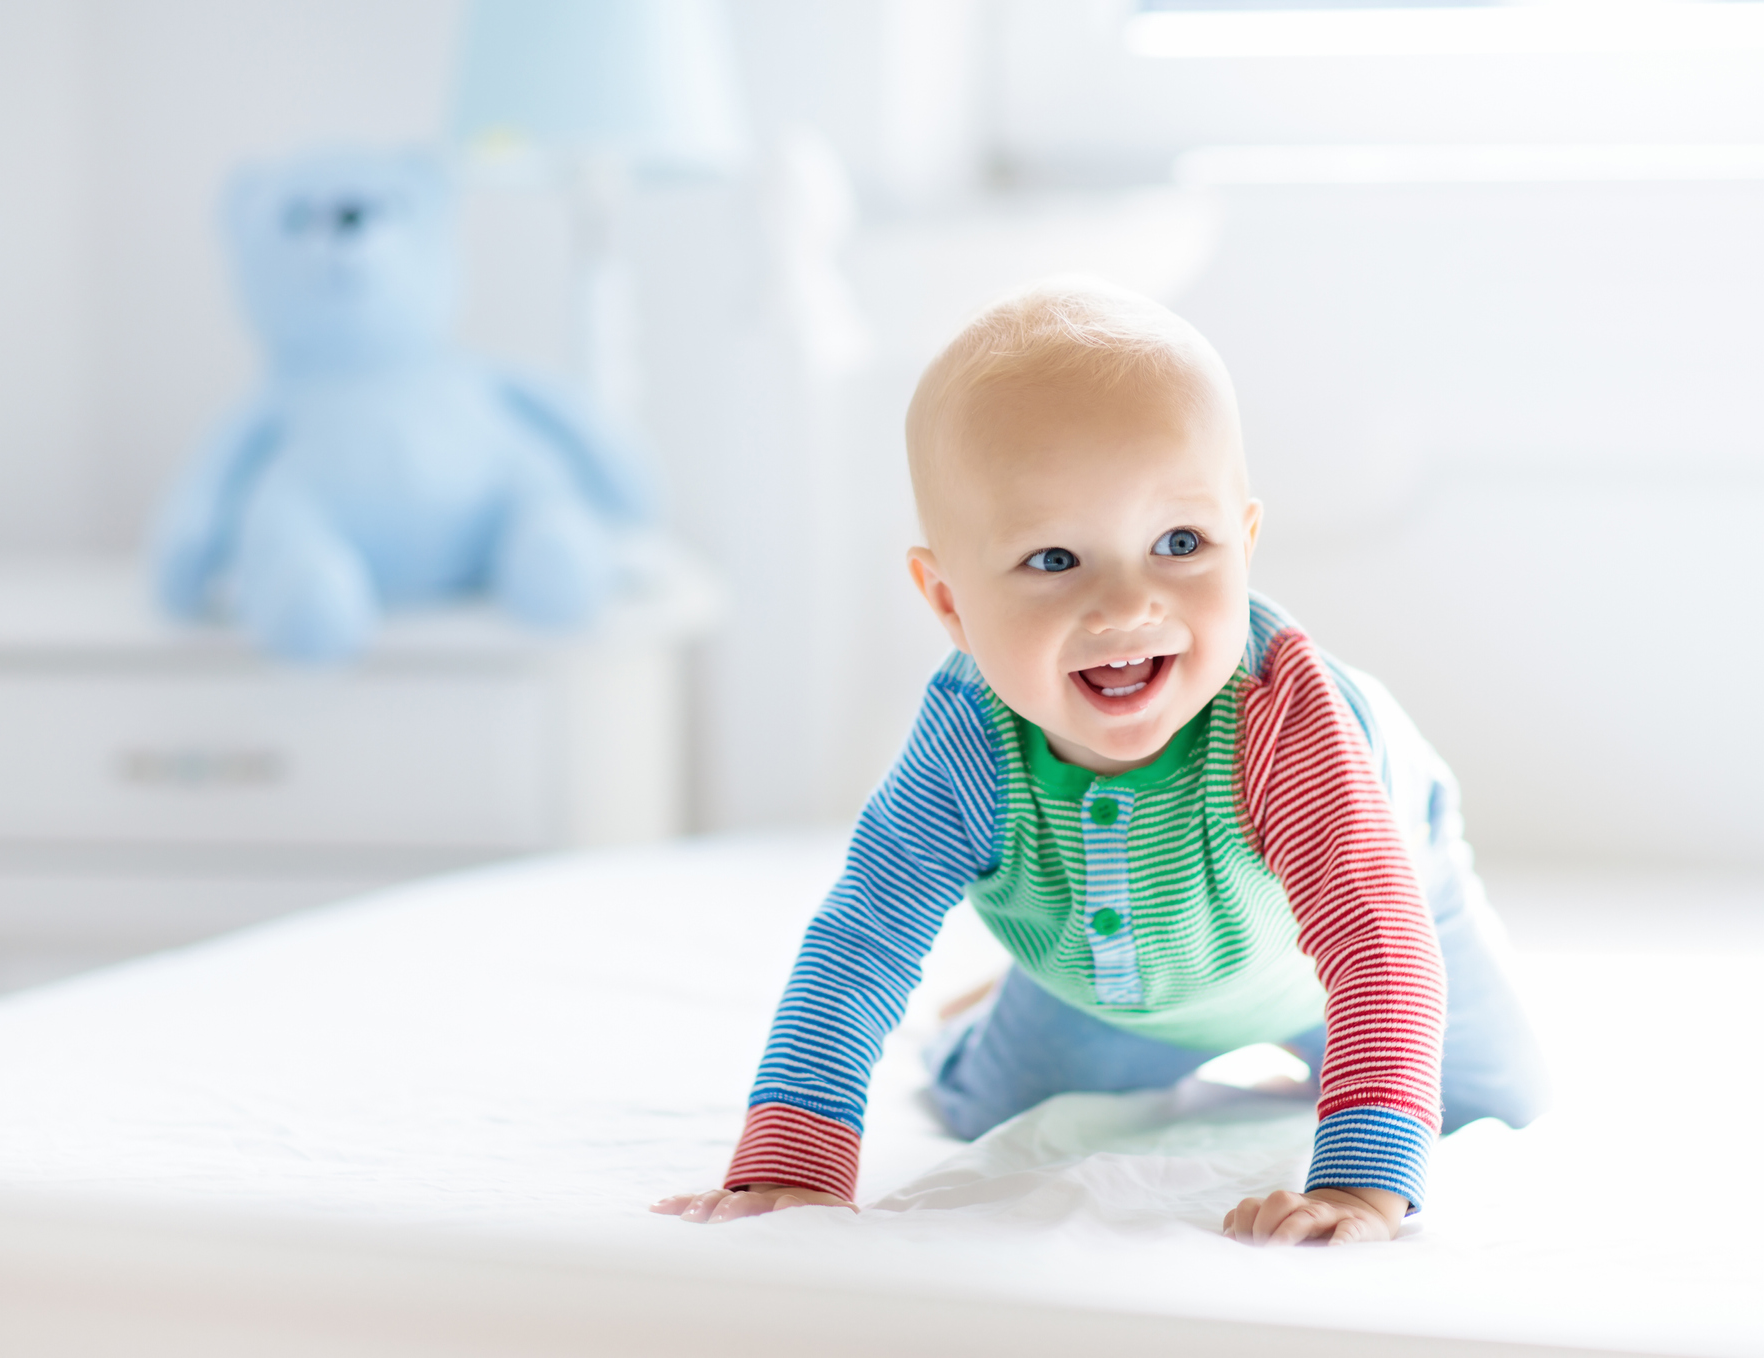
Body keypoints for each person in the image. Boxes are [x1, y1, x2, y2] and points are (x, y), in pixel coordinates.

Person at [653, 277, 1549, 1246]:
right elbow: (861, 941)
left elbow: (1379, 943)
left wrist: (1359, 1186)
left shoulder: (1277, 718)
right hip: (1099, 982)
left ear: (1244, 545)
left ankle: (1327, 1056)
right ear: (949, 601)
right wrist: (792, 1165)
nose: (1127, 606)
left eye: (1178, 542)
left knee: (1491, 1098)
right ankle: (992, 1006)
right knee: (978, 1108)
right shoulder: (967, 745)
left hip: (1358, 931)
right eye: (1053, 559)